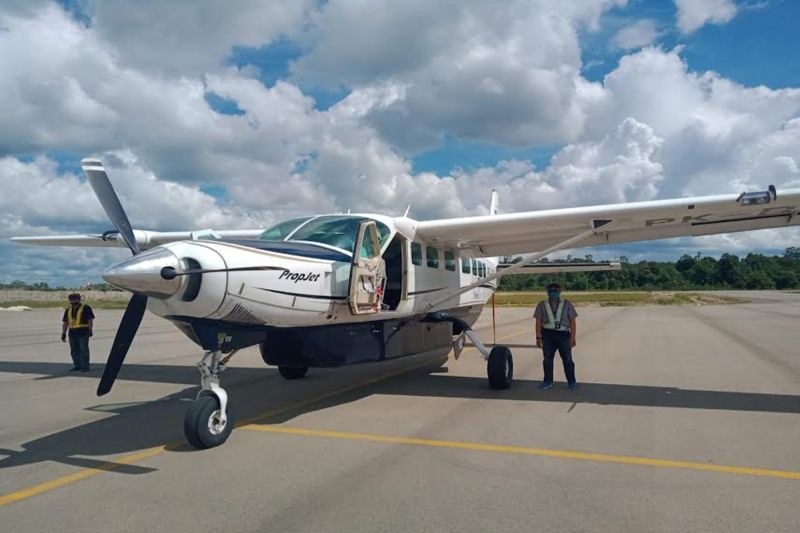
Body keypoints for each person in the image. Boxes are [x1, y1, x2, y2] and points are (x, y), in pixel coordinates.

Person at [534, 282, 578, 390]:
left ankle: (571, 382)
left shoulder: (567, 304)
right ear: (547, 292)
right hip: (547, 335)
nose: (553, 292)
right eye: (551, 290)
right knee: (547, 360)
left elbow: (572, 321)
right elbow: (538, 321)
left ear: (559, 292)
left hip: (563, 335)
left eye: (555, 290)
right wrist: (538, 337)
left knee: (567, 359)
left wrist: (572, 337)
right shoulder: (541, 304)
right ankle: (547, 381)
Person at [61, 293, 94, 372]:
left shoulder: (86, 307)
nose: (72, 301)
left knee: (84, 350)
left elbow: (90, 319)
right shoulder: (68, 309)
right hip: (72, 332)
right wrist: (63, 333)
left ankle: (85, 367)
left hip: (83, 332)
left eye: (74, 299)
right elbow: (65, 322)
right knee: (74, 351)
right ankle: (77, 365)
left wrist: (90, 330)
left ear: (79, 299)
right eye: (71, 300)